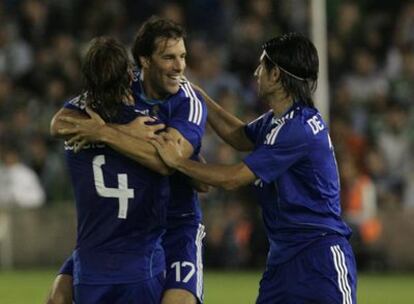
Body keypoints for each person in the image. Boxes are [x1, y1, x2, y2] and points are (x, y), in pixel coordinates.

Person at [152, 33, 357, 303]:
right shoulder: (279, 120)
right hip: (283, 259)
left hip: (319, 258)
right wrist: (198, 95)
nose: (256, 72)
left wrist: (177, 161)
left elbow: (234, 178)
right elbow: (239, 136)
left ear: (276, 76)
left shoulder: (298, 129)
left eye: (263, 66)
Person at [47, 16, 207, 304]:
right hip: (120, 230)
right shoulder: (120, 84)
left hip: (176, 224)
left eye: (182, 56)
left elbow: (172, 159)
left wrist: (104, 134)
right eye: (169, 57)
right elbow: (58, 123)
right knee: (56, 298)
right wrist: (113, 132)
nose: (180, 67)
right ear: (143, 62)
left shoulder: (187, 101)